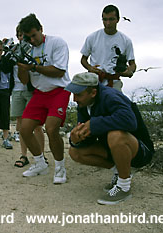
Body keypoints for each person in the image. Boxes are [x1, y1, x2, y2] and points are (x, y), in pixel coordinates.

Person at [65, 72, 154, 205]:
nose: (74, 99)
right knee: (75, 152)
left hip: (140, 151)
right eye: (73, 94)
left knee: (116, 135)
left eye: (78, 94)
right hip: (113, 150)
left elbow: (130, 121)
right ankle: (119, 172)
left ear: (93, 92)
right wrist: (76, 139)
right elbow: (89, 139)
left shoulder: (111, 96)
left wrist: (94, 123)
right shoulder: (84, 106)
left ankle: (123, 187)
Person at [16, 13, 71, 184]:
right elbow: (24, 81)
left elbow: (59, 71)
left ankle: (60, 167)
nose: (32, 40)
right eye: (28, 37)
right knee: (24, 129)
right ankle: (40, 163)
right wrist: (22, 67)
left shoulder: (57, 43)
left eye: (34, 35)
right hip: (40, 93)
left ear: (41, 29)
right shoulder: (26, 48)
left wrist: (33, 66)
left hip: (59, 90)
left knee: (51, 128)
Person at [1, 26, 46, 167]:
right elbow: (4, 67)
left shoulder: (33, 50)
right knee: (21, 125)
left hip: (31, 89)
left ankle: (41, 155)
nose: (21, 38)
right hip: (16, 90)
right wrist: (6, 52)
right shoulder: (14, 50)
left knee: (37, 125)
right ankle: (24, 155)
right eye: (19, 35)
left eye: (23, 35)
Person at [80, 4, 136, 91]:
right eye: (105, 20)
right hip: (94, 81)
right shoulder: (92, 37)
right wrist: (90, 68)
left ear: (117, 19)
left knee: (117, 103)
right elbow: (83, 59)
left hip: (114, 81)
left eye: (111, 19)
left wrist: (129, 71)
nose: (108, 23)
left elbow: (132, 64)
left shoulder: (126, 40)